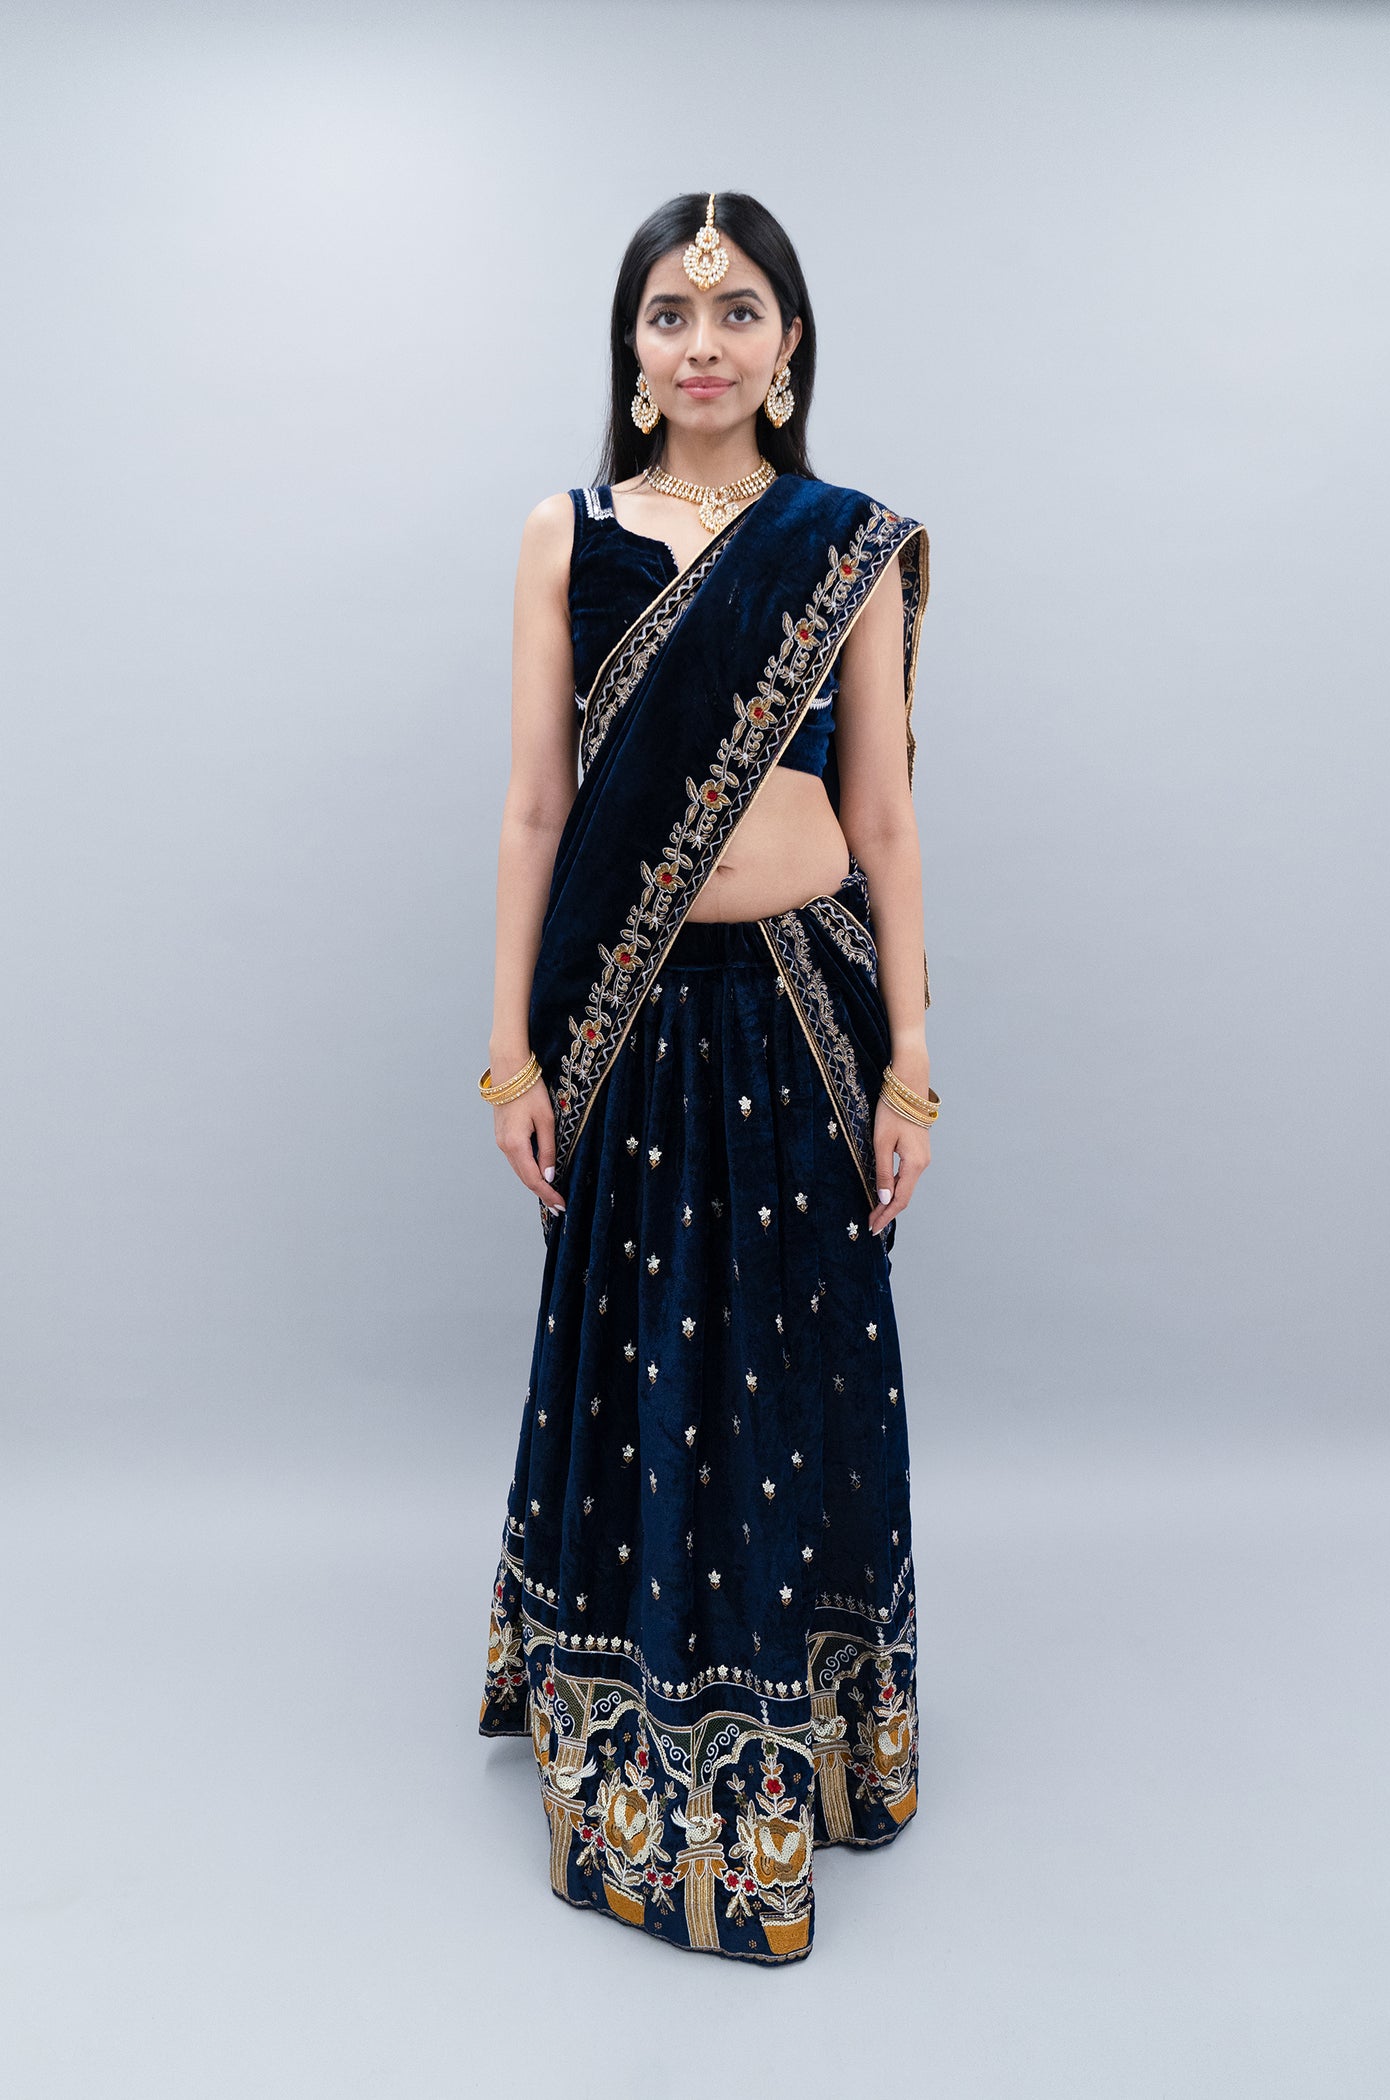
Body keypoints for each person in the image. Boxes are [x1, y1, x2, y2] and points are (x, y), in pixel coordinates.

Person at [476, 191, 938, 1965]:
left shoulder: (843, 545)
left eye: (738, 311)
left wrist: (913, 1061)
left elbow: (884, 815)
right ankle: (634, 1742)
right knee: (643, 1366)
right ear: (631, 348)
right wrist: (512, 1050)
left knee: (798, 1360)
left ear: (789, 346)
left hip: (803, 1012)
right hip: (633, 1020)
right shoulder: (569, 533)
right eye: (670, 314)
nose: (703, 344)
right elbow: (538, 807)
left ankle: (809, 1730)